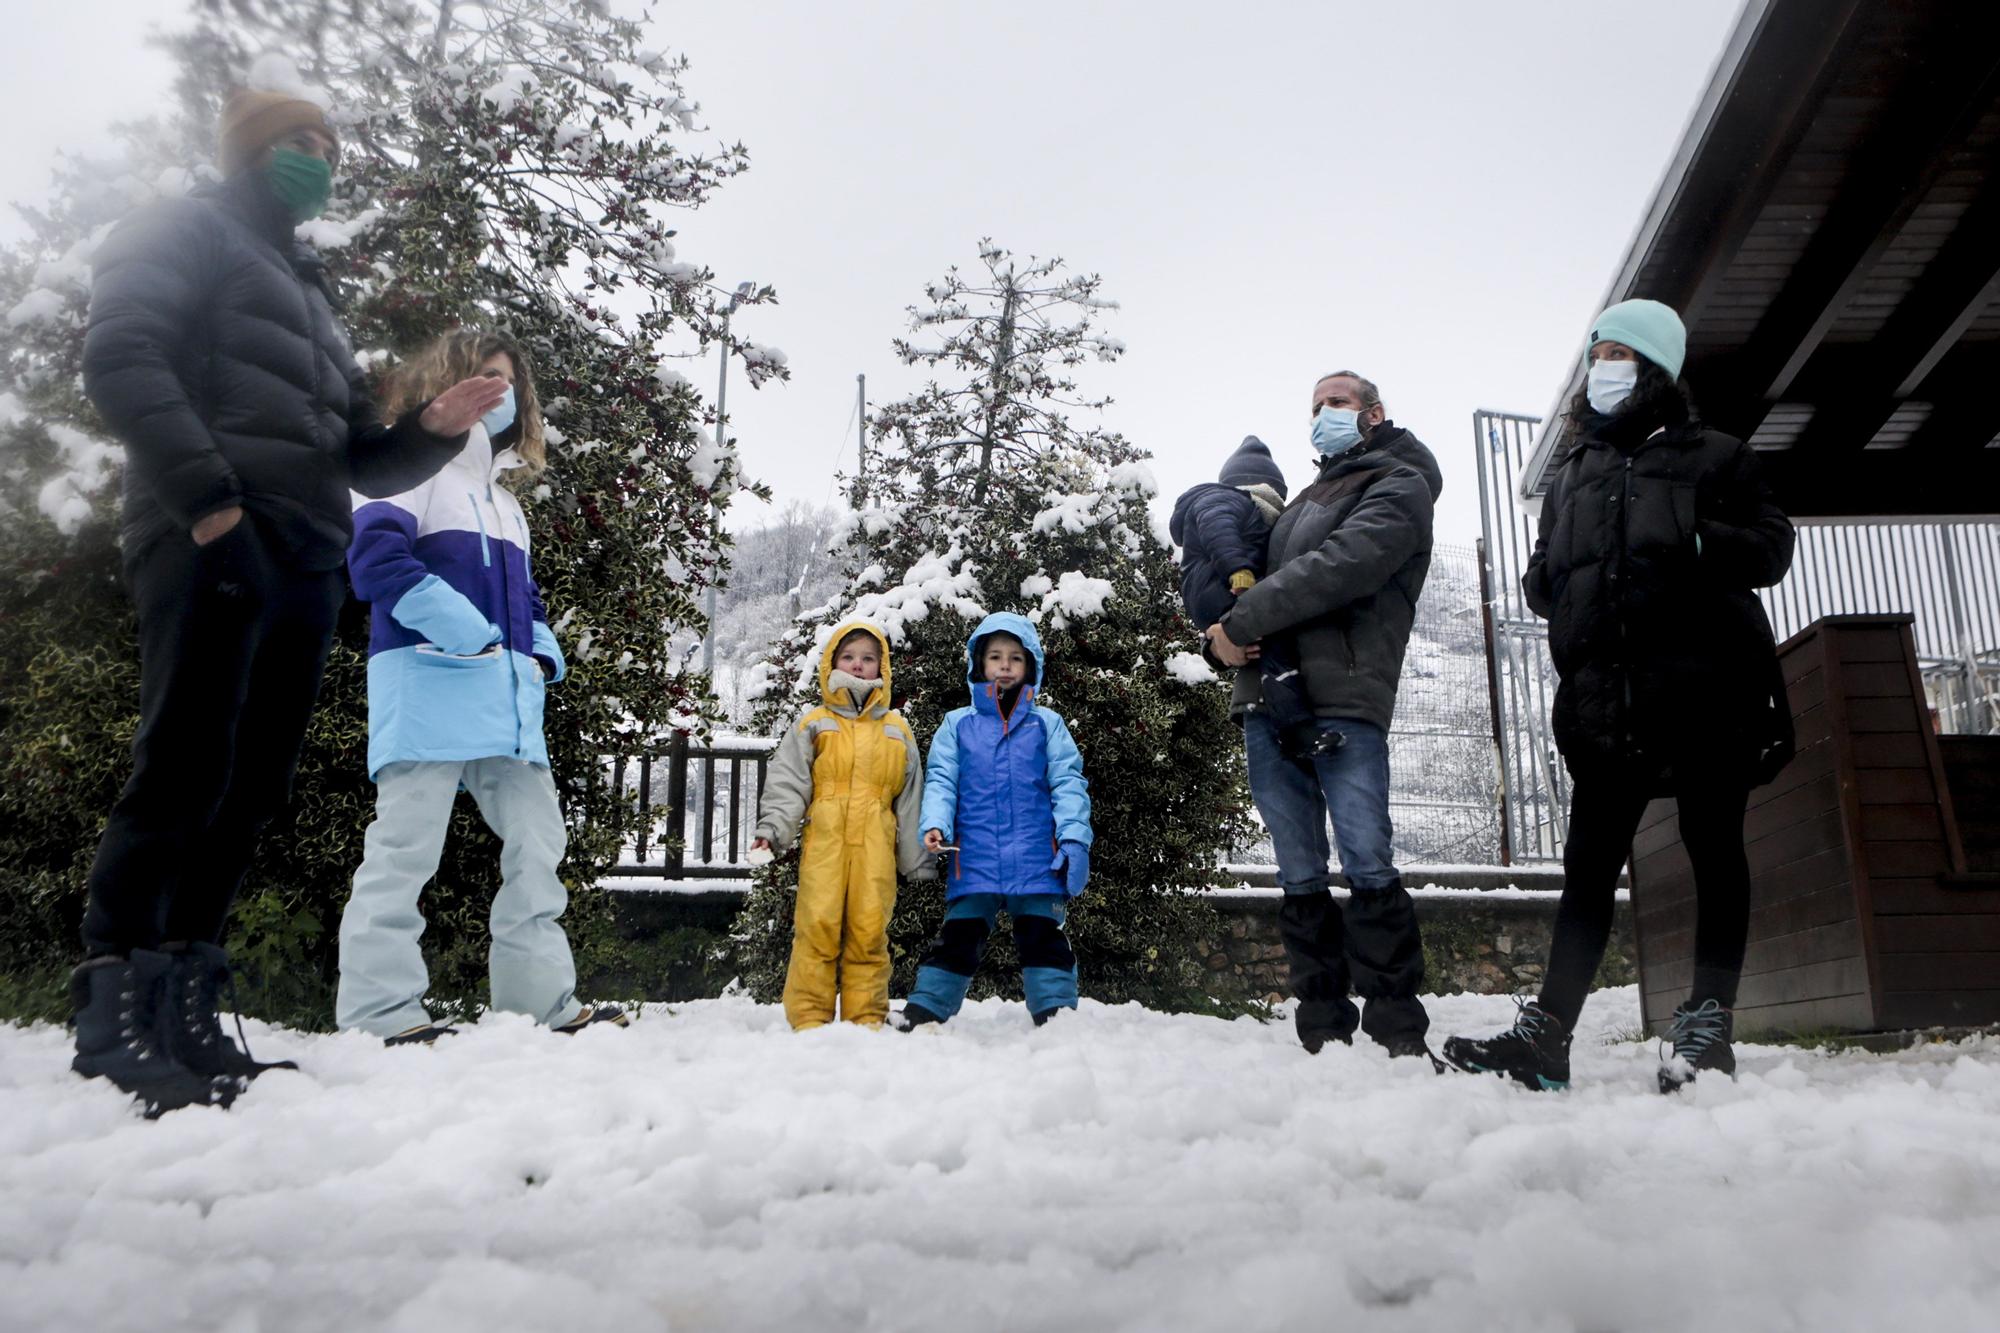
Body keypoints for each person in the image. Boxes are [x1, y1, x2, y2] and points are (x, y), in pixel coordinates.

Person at [71, 89, 506, 1115]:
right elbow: (120, 355)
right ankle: (115, 1002)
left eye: (329, 146)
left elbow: (363, 457)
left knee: (251, 782)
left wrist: (434, 427)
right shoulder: (184, 229)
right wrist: (211, 504)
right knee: (182, 762)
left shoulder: (310, 297)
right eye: (299, 144)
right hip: (212, 533)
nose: (318, 159)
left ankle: (181, 997)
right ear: (250, 153)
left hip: (308, 558)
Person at [1443, 299, 1794, 1093]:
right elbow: (1548, 575)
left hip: (1708, 692)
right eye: (1596, 352)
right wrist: (1552, 583)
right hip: (1607, 699)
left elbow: (1773, 546)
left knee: (1714, 847)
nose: (1602, 366)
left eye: (1618, 353)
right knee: (1589, 866)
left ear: (1654, 368)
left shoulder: (1719, 456)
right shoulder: (1577, 472)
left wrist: (1701, 538)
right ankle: (1547, 1038)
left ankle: (1708, 1027)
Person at [335, 329, 625, 1044]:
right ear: (449, 381)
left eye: (511, 384)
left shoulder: (505, 504)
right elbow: (374, 562)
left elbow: (525, 599)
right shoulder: (404, 472)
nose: (502, 394)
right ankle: (381, 1015)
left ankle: (541, 1005)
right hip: (428, 683)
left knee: (537, 844)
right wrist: (464, 630)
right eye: (486, 377)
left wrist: (541, 652)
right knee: (404, 849)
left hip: (507, 697)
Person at [1206, 371, 1443, 1061]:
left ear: (1373, 412)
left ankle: (1397, 1025)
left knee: (1367, 857)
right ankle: (1322, 1023)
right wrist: (1214, 634)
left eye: (1335, 403)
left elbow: (1343, 566)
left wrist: (1242, 617)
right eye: (1314, 406)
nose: (1322, 415)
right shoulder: (1304, 499)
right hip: (1268, 699)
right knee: (1296, 869)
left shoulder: (1400, 483)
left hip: (1344, 693)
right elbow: (1244, 574)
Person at [897, 613, 1093, 1029]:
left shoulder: (1047, 725)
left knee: (1043, 939)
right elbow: (942, 779)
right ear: (979, 665)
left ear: (1031, 667)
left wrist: (1074, 839)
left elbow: (1068, 782)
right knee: (958, 938)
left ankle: (1056, 1017)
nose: (1005, 666)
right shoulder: (958, 725)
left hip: (1038, 858)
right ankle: (926, 1011)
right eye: (995, 657)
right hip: (976, 856)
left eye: (1015, 658)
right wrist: (935, 825)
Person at [749, 621, 931, 1030]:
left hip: (875, 846)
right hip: (825, 843)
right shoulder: (814, 723)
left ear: (882, 667)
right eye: (848, 657)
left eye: (868, 658)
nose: (858, 665)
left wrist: (916, 859)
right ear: (832, 663)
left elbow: (910, 799)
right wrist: (773, 829)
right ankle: (809, 1021)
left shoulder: (896, 730)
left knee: (869, 932)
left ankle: (865, 1020)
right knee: (817, 927)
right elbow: (788, 782)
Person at [1169, 436, 1327, 765]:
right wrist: (1238, 570)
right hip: (1221, 589)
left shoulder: (1231, 505)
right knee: (1279, 644)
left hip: (1217, 599)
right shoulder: (1226, 500)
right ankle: (1296, 728)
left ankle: (1294, 725)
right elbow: (1219, 531)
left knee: (1272, 650)